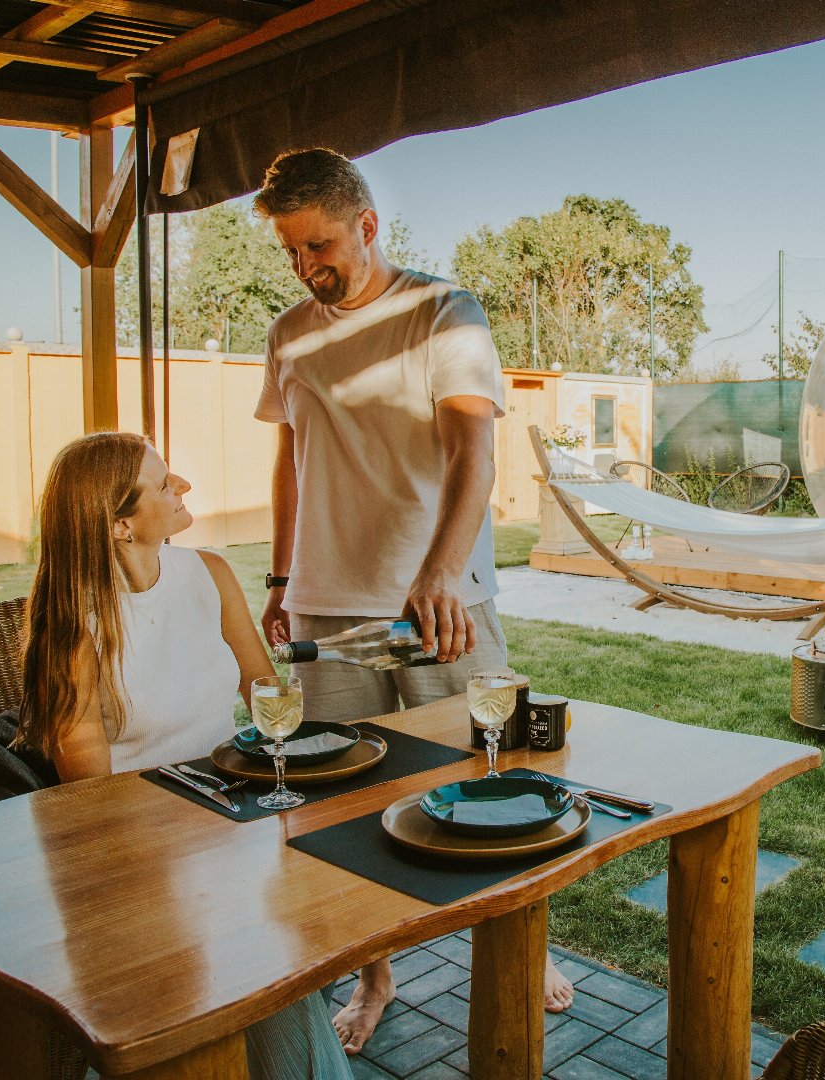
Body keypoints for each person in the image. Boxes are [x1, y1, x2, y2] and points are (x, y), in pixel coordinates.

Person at [252, 147, 575, 1054]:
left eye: (318, 244)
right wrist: (282, 579)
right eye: (289, 250)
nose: (305, 266)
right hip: (325, 603)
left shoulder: (444, 313)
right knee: (339, 807)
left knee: (486, 777)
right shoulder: (289, 333)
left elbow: (475, 454)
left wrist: (438, 572)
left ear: (367, 226)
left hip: (443, 605)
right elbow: (288, 460)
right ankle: (375, 975)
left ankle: (524, 945)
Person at [15, 431, 352, 1080]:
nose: (184, 489)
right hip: (141, 862)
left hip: (237, 821)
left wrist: (320, 677)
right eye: (165, 484)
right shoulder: (73, 625)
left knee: (328, 908)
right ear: (120, 524)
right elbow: (91, 799)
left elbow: (263, 686)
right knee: (268, 968)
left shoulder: (210, 575)